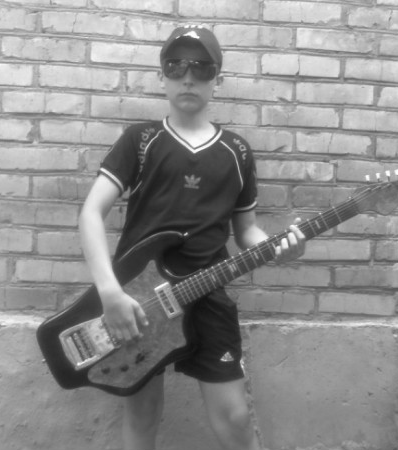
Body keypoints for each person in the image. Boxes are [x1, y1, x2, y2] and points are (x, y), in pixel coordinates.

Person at [78, 25, 306, 450]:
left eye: (201, 68)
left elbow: (246, 231)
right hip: (138, 298)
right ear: (161, 75)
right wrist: (109, 292)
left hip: (208, 293)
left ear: (217, 78)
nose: (188, 77)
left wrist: (279, 249)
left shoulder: (237, 151)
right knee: (143, 414)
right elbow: (91, 213)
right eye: (176, 66)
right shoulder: (140, 140)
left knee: (236, 417)